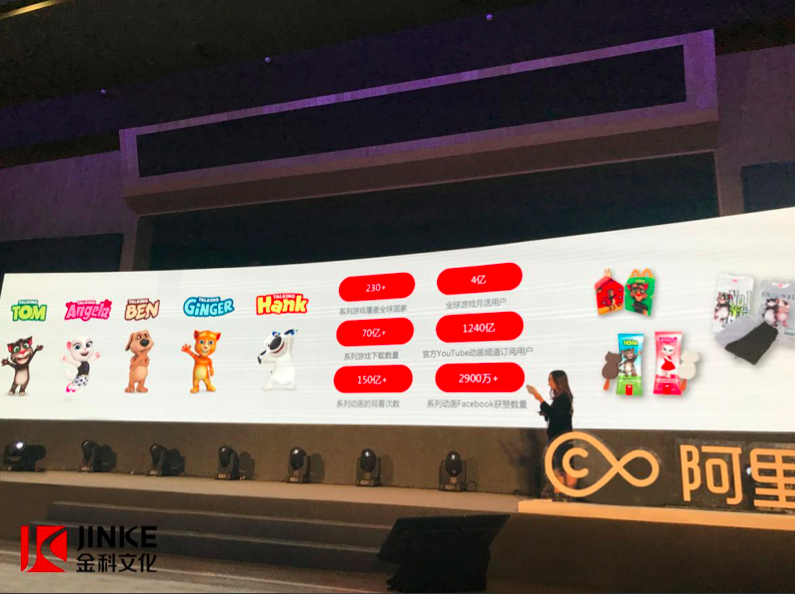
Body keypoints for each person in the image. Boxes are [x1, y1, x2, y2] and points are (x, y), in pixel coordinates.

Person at [526, 370, 576, 501]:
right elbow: (555, 414)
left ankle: (565, 495)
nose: (549, 383)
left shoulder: (564, 397)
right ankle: (560, 495)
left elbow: (556, 414)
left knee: (562, 467)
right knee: (559, 467)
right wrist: (545, 413)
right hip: (557, 437)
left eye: (551, 380)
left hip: (561, 438)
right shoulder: (561, 398)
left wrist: (539, 398)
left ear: (559, 381)